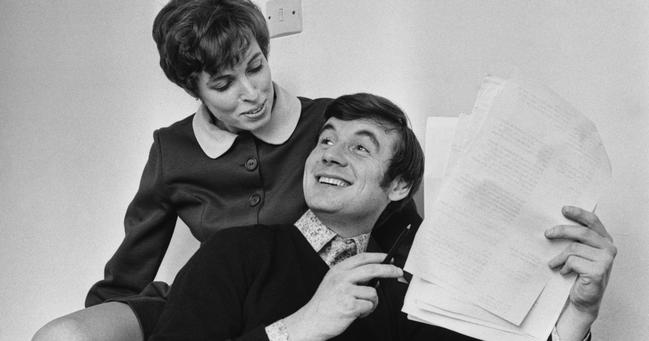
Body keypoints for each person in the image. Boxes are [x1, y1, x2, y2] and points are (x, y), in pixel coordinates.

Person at [32, 0, 419, 341]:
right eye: (223, 84)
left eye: (255, 67)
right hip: (199, 298)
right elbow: (132, 261)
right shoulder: (173, 149)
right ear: (194, 89)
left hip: (290, 294)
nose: (252, 94)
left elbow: (388, 198)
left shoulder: (326, 129)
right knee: (63, 336)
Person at [148, 93, 616, 341]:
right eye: (326, 140)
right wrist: (299, 328)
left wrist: (576, 315)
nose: (330, 155)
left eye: (359, 147)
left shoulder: (421, 283)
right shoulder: (235, 254)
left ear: (399, 186)